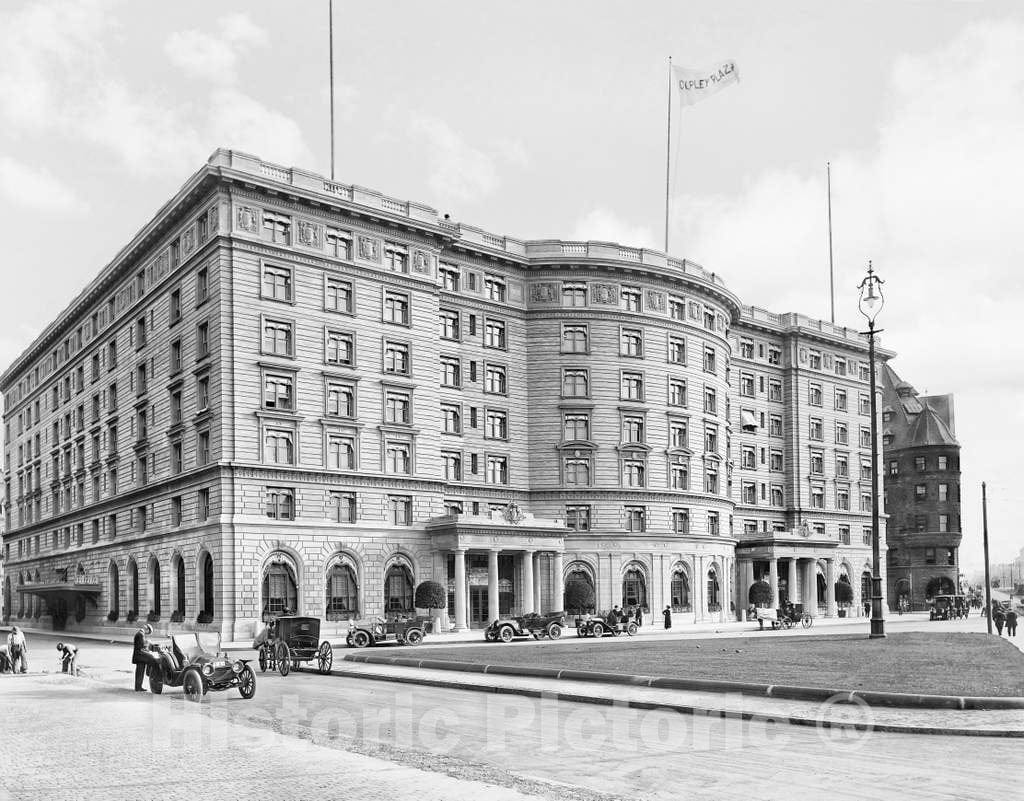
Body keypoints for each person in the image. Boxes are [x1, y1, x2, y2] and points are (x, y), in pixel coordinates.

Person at [131, 623, 161, 692]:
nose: (148, 634)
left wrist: (146, 643)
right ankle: (139, 687)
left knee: (140, 672)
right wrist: (147, 644)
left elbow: (141, 645)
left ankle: (138, 687)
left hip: (139, 656)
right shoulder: (140, 634)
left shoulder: (140, 634)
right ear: (147, 629)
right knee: (152, 659)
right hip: (139, 656)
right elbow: (141, 647)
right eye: (148, 632)